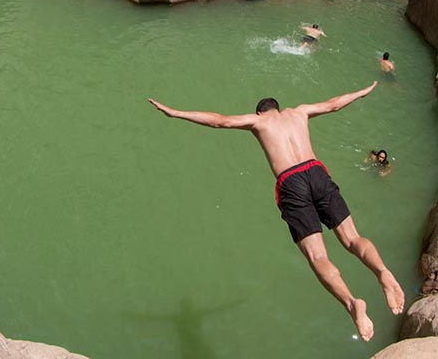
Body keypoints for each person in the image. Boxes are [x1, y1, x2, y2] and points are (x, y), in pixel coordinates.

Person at [147, 82, 404, 341]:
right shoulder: (300, 112)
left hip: (291, 181)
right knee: (352, 238)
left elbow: (219, 121)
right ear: (278, 108)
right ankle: (382, 272)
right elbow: (334, 103)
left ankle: (352, 304)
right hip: (316, 171)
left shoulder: (259, 123)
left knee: (317, 257)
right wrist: (362, 92)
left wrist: (176, 112)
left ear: (260, 113)